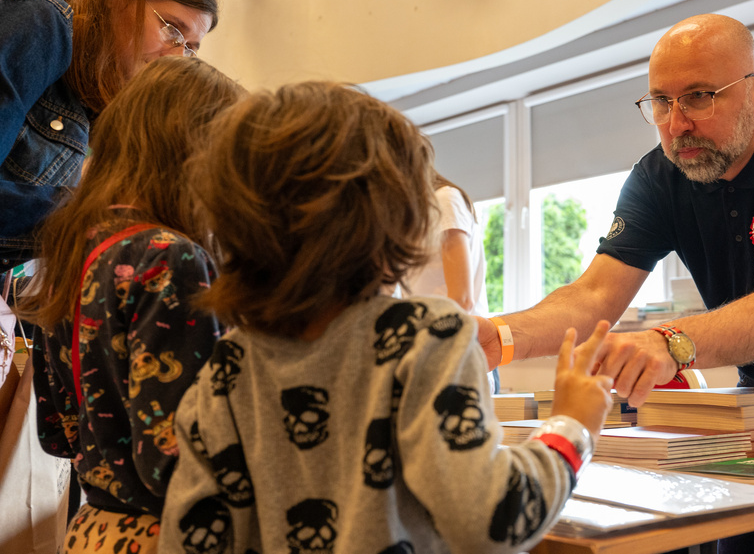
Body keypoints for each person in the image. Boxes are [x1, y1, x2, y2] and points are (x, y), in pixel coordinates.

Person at [473, 13, 754, 554]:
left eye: (700, 96)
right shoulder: (659, 176)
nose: (676, 123)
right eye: (660, 101)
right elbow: (594, 296)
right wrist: (500, 335)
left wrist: (670, 343)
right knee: (745, 539)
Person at [159, 82, 614, 553]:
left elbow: (187, 540)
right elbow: (490, 520)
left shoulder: (223, 371)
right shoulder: (427, 337)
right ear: (398, 215)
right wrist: (571, 427)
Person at [17, 56, 245, 553]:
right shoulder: (172, 259)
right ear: (196, 154)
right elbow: (177, 457)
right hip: (173, 535)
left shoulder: (77, 248)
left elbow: (55, 435)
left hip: (95, 529)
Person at [0, 0, 218, 271]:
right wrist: (99, 212)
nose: (177, 58)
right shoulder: (43, 20)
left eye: (190, 48)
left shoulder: (85, 108)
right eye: (172, 30)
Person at [404, 171, 501, 391]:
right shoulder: (413, 217)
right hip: (433, 349)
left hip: (455, 348)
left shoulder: (445, 200)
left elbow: (462, 298)